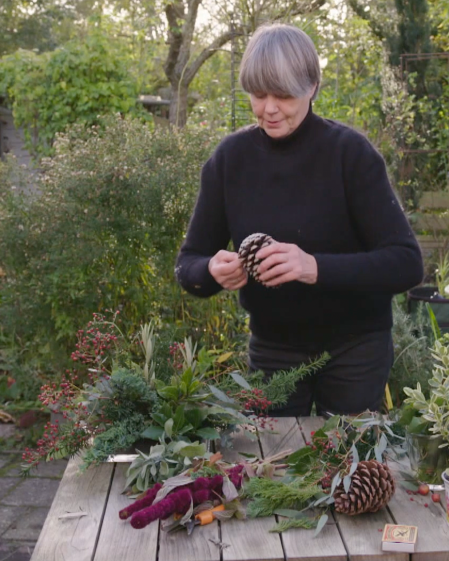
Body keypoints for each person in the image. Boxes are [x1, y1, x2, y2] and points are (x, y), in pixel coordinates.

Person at [174, 23, 423, 416]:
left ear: (311, 88)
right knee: (273, 466)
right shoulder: (230, 160)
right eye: (258, 95)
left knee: (347, 467)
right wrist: (210, 269)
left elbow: (407, 263)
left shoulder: (350, 156)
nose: (269, 108)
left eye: (283, 95)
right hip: (273, 349)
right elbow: (188, 264)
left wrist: (313, 267)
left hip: (355, 349)